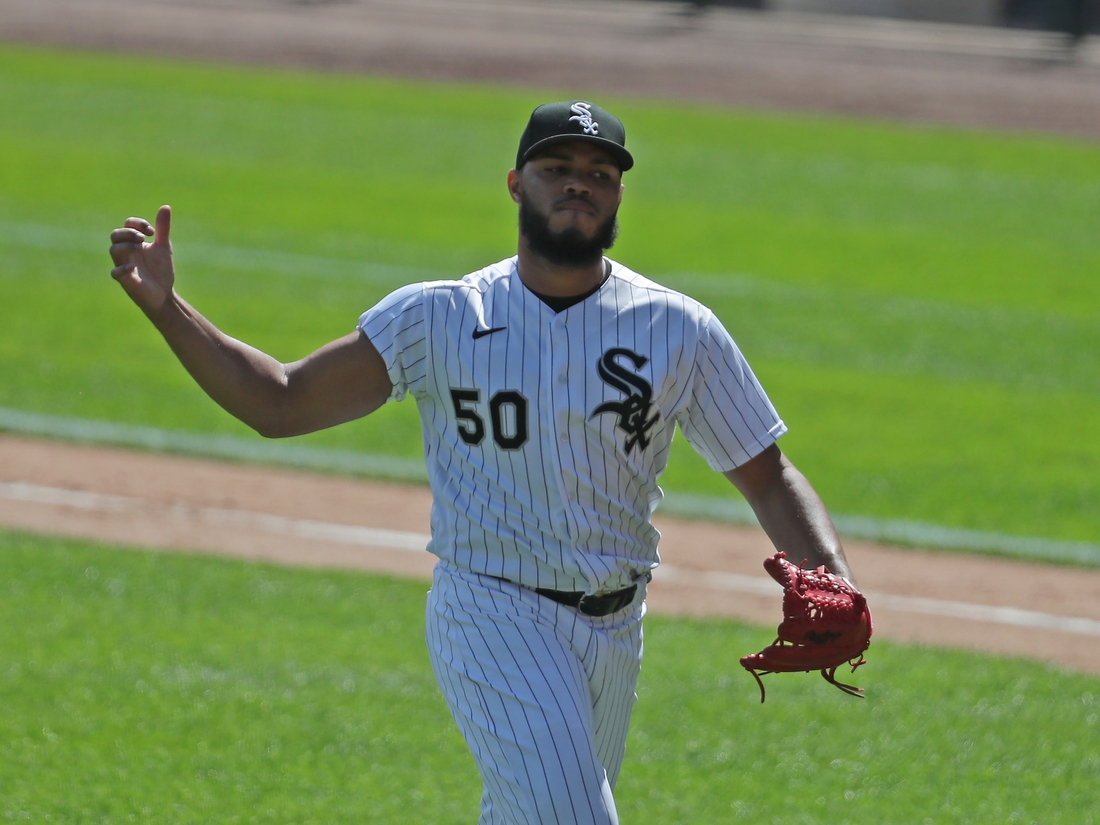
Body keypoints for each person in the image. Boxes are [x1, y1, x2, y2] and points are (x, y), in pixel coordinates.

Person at [109, 100, 855, 825]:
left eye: (599, 172)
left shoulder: (678, 329)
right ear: (515, 184)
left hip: (616, 629)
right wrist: (168, 309)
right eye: (557, 166)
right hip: (492, 613)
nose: (578, 182)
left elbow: (768, 472)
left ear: (620, 192)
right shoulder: (438, 317)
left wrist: (832, 578)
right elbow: (281, 401)